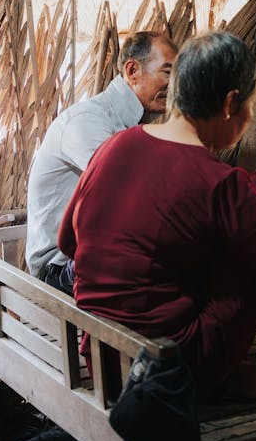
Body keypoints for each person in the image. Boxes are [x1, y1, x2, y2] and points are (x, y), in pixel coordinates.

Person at [59, 31, 256, 399]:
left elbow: (68, 242)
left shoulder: (115, 145)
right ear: (230, 103)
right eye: (252, 106)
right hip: (170, 368)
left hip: (104, 359)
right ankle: (254, 367)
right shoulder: (219, 182)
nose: (250, 118)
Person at [26, 31, 178, 295]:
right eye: (167, 72)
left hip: (92, 256)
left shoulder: (134, 128)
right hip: (59, 268)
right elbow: (131, 195)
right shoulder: (87, 122)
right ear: (132, 70)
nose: (175, 84)